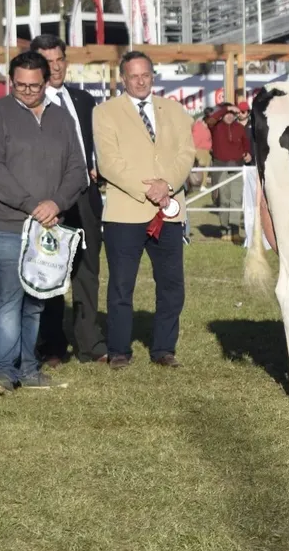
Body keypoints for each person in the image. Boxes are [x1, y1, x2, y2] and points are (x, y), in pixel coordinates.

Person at [0, 51, 88, 395]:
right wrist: (31, 205)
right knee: (9, 299)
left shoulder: (63, 119)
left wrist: (57, 203)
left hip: (48, 226)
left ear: (47, 81)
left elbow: (77, 169)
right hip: (5, 224)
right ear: (10, 81)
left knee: (36, 299)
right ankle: (5, 371)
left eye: (33, 86)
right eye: (19, 85)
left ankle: (29, 367)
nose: (26, 91)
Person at [93, 51, 196, 370]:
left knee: (172, 285)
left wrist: (166, 185)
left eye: (146, 75)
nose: (140, 81)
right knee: (122, 285)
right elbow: (109, 163)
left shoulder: (176, 111)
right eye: (133, 76)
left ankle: (164, 348)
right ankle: (120, 350)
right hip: (126, 212)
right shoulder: (105, 112)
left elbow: (186, 153)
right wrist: (146, 190)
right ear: (122, 78)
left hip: (168, 212)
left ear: (153, 76)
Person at [29, 34, 108, 367]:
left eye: (60, 59)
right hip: (50, 202)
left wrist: (98, 167)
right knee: (51, 272)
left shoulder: (84, 100)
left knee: (87, 272)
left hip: (87, 198)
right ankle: (51, 346)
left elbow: (95, 144)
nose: (56, 66)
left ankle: (90, 342)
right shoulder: (28, 105)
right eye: (48, 61)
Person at [206, 102, 253, 243]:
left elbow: (245, 144)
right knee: (223, 200)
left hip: (238, 166)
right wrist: (226, 109)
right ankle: (224, 229)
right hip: (221, 167)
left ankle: (234, 231)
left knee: (236, 200)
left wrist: (248, 153)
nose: (229, 116)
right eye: (226, 114)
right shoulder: (215, 127)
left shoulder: (240, 128)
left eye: (232, 114)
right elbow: (210, 120)